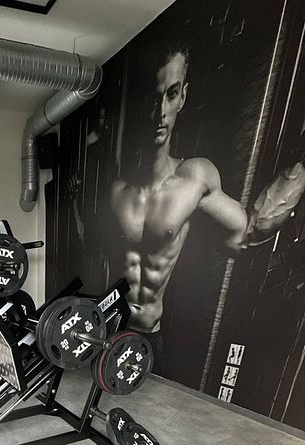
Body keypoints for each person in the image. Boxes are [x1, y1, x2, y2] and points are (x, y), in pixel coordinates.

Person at [67, 42, 305, 368]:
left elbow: (248, 234)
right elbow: (90, 243)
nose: (160, 111)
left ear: (183, 97)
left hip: (148, 337)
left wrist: (299, 169)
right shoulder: (113, 187)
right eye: (154, 97)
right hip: (106, 328)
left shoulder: (195, 178)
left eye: (172, 94)